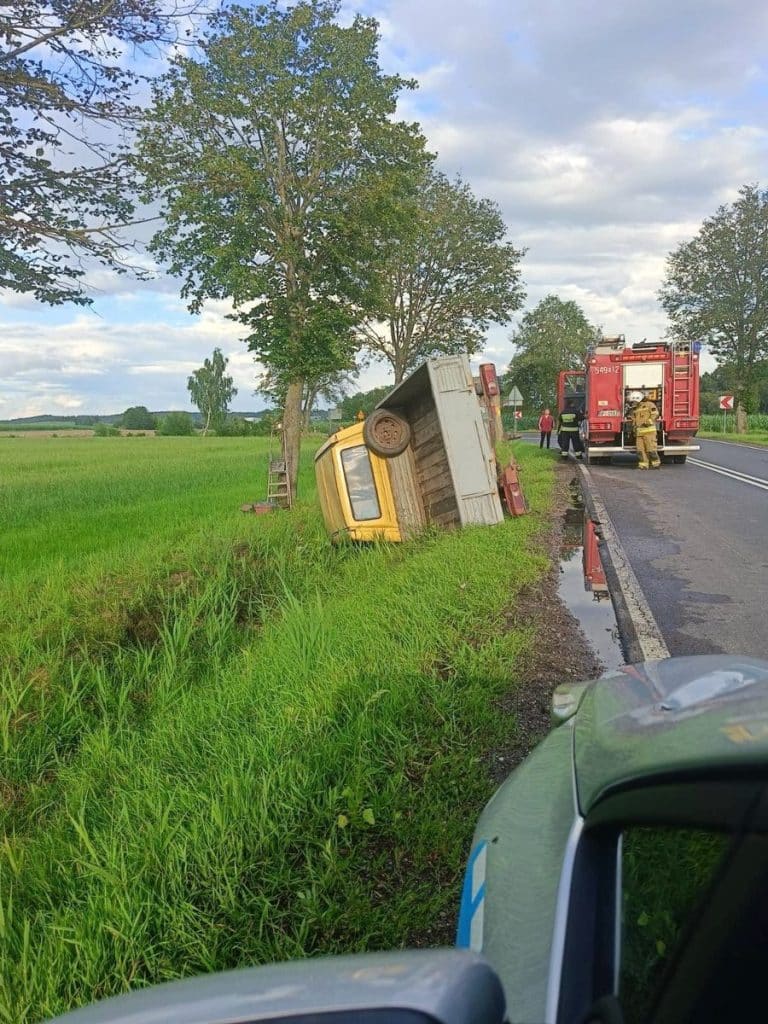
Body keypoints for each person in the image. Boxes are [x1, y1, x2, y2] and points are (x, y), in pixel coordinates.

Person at [631, 394, 661, 469]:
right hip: (639, 433)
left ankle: (656, 464)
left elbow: (655, 414)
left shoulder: (650, 404)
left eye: (634, 400)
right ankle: (643, 465)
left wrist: (648, 422)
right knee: (640, 450)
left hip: (649, 432)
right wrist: (634, 427)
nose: (634, 402)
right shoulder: (635, 408)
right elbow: (635, 419)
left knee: (651, 449)